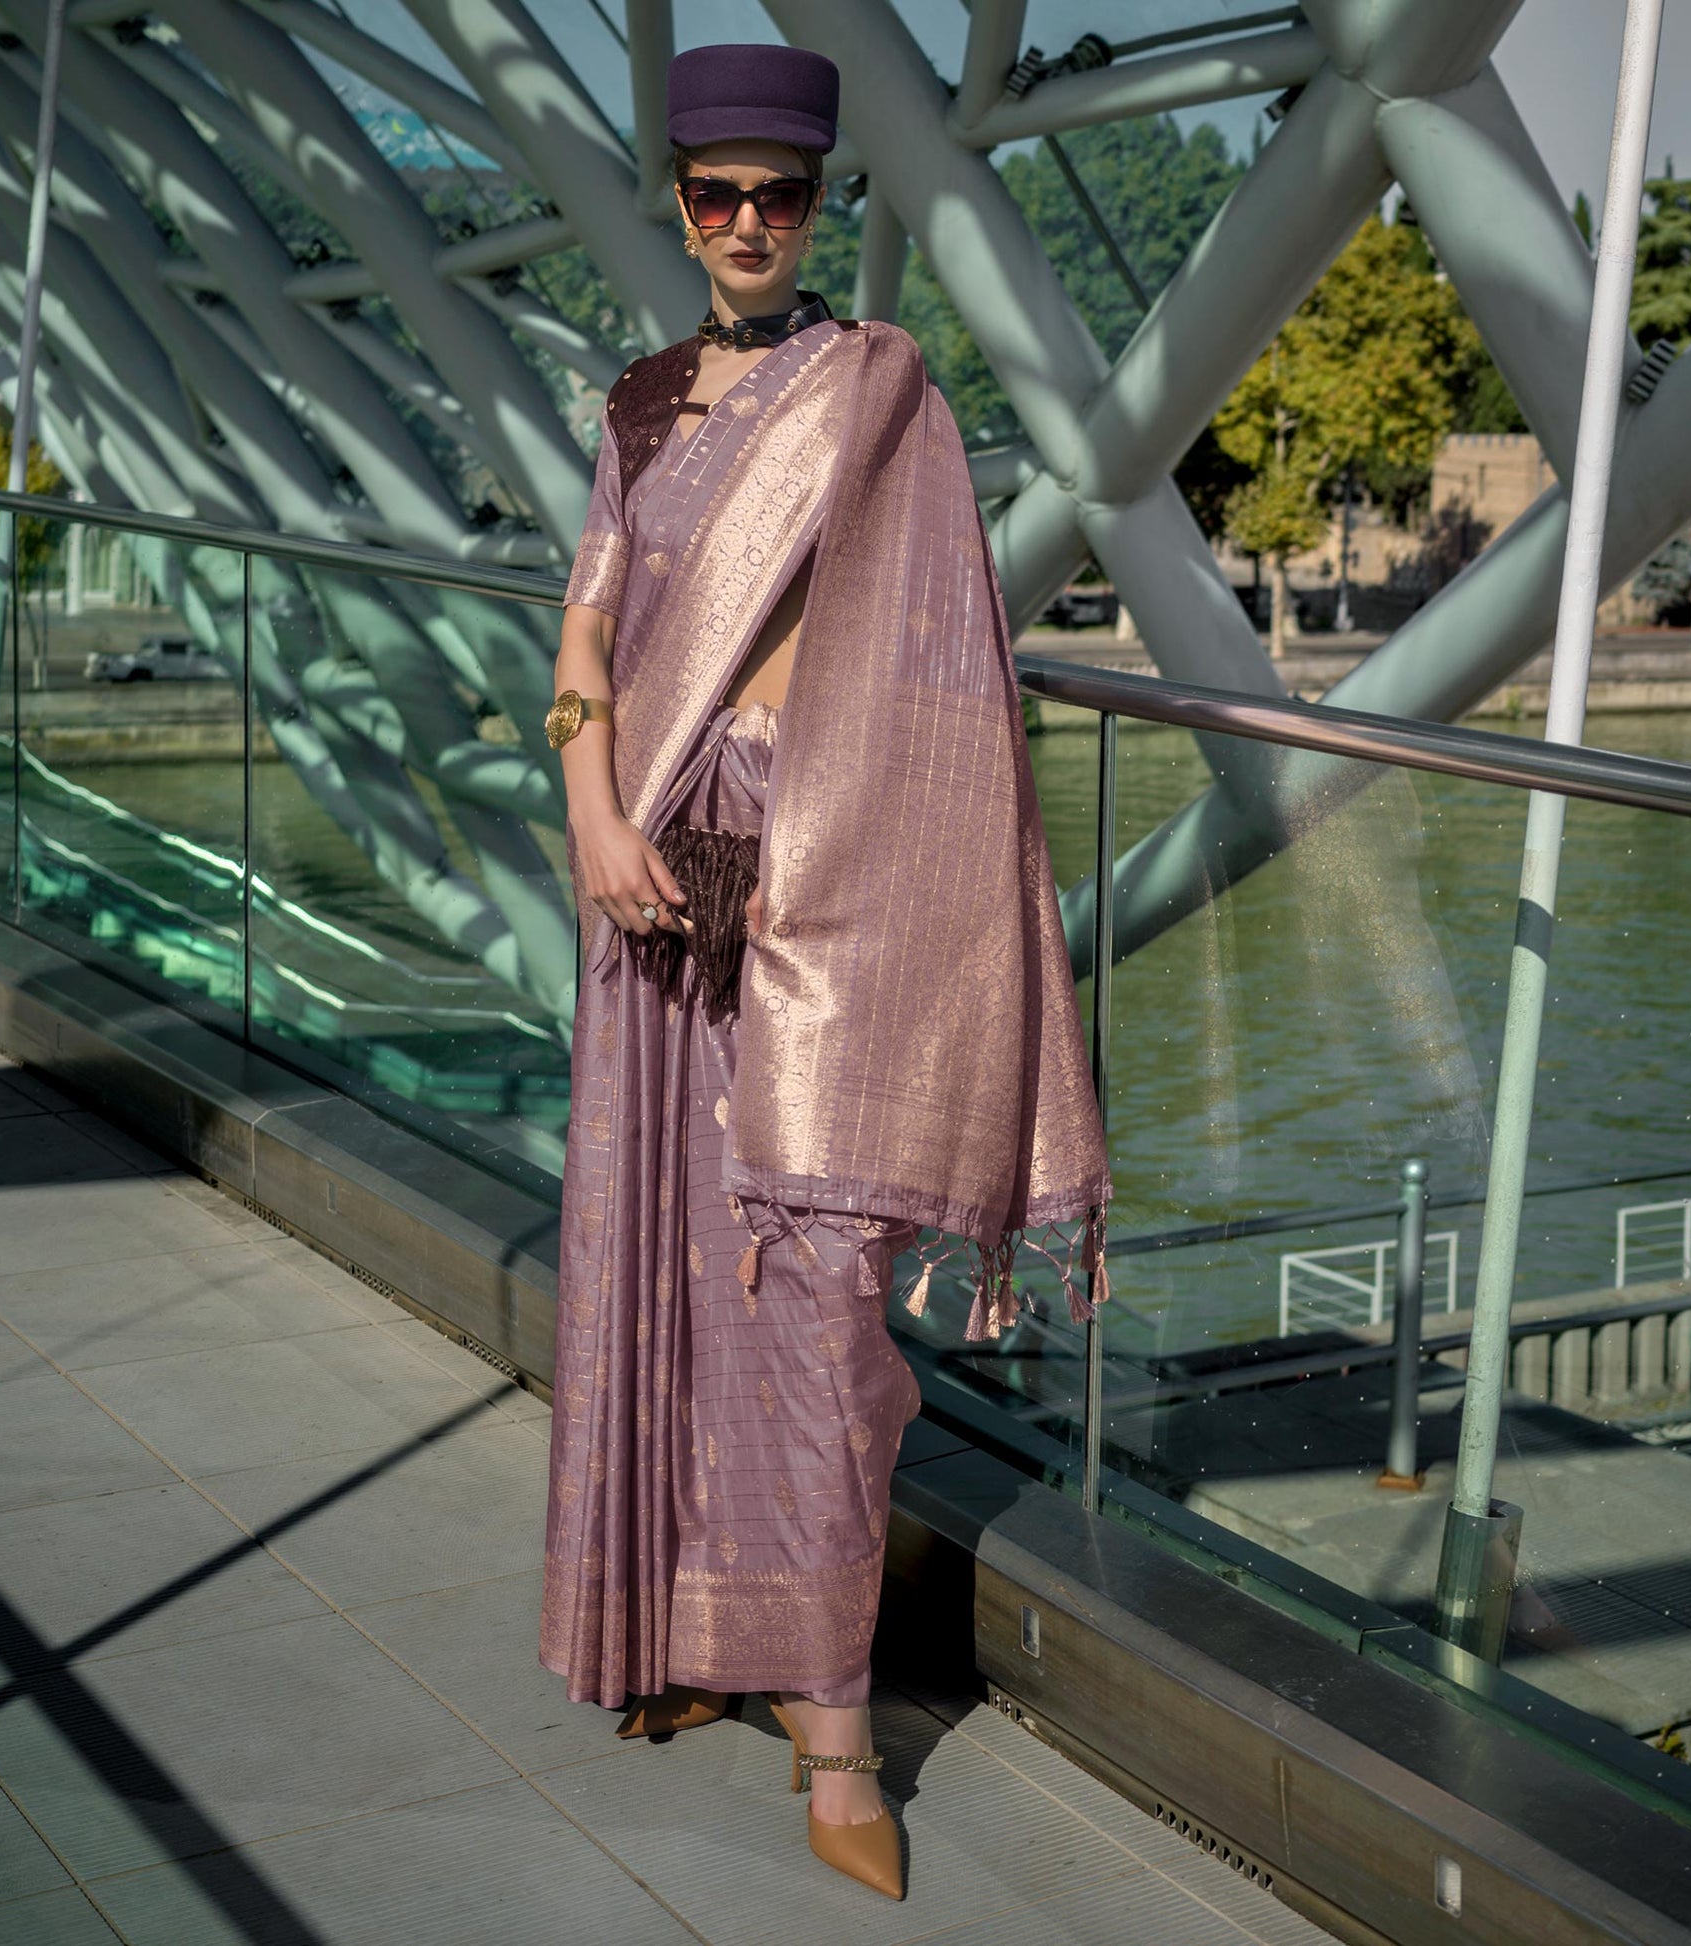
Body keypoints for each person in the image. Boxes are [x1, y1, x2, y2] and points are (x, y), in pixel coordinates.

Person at [538, 42, 1112, 1903]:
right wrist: (591, 815)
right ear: (677, 201)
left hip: (833, 882)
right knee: (666, 1266)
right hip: (655, 881)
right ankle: (696, 1632)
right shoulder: (641, 403)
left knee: (819, 1313)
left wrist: (846, 861)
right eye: (715, 193)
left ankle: (837, 1718)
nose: (746, 224)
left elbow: (940, 661)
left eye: (777, 195)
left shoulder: (878, 390)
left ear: (816, 204)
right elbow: (586, 633)